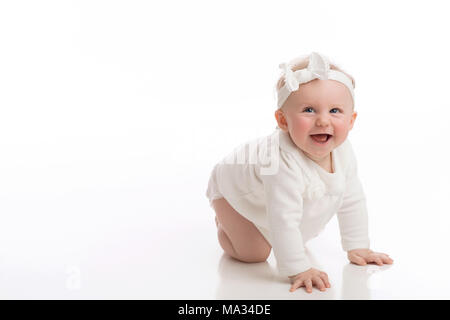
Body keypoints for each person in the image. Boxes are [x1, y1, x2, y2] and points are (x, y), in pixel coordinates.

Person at [205, 52, 393, 293]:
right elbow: (283, 217)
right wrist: (298, 268)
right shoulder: (280, 161)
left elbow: (352, 199)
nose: (323, 121)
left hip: (267, 196)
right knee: (253, 253)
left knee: (296, 228)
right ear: (283, 121)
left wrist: (358, 247)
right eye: (309, 110)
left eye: (335, 111)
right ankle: (225, 221)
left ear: (351, 120)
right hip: (233, 190)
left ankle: (249, 226)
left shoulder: (343, 152)